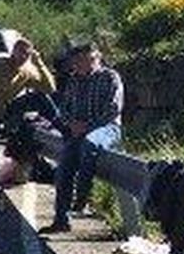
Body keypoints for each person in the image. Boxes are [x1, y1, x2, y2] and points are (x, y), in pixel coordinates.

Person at [0, 37, 56, 216]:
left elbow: (49, 88)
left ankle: (61, 126)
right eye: (20, 52)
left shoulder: (27, 70)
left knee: (40, 98)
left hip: (8, 113)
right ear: (13, 51)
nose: (23, 57)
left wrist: (39, 63)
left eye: (27, 54)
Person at [41, 43, 123, 234]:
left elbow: (113, 109)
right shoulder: (73, 80)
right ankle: (61, 220)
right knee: (63, 170)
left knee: (89, 143)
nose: (76, 65)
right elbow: (64, 108)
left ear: (94, 59)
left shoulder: (110, 77)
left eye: (82, 60)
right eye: (75, 61)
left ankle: (83, 195)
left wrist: (88, 126)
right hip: (78, 130)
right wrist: (71, 124)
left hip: (105, 128)